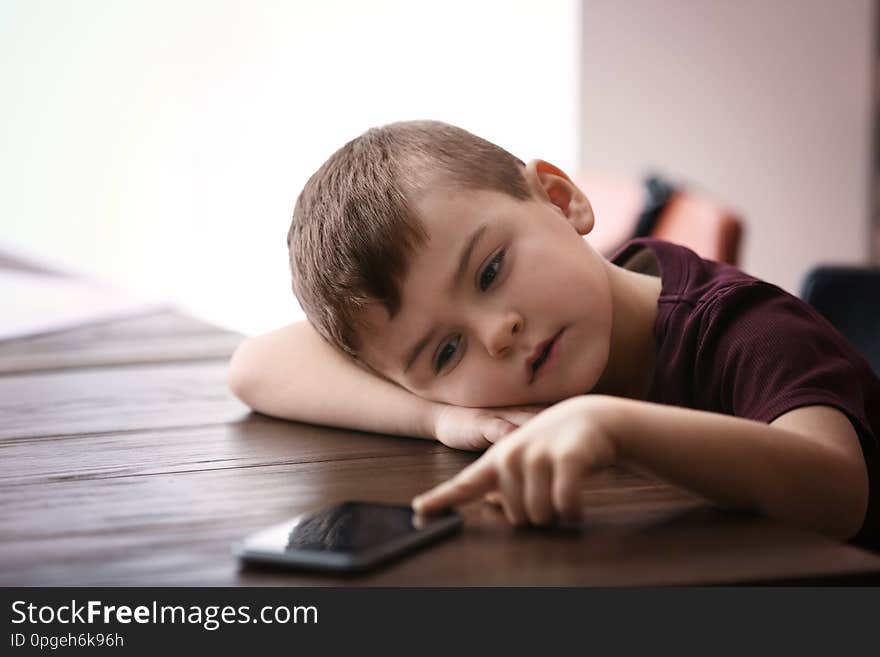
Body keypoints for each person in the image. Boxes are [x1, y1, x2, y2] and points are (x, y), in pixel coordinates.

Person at [228, 120, 880, 548]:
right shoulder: (516, 367)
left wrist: (612, 426)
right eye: (446, 350)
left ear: (561, 199)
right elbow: (256, 365)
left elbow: (838, 492)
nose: (497, 333)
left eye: (489, 270)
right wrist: (435, 417)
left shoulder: (749, 330)